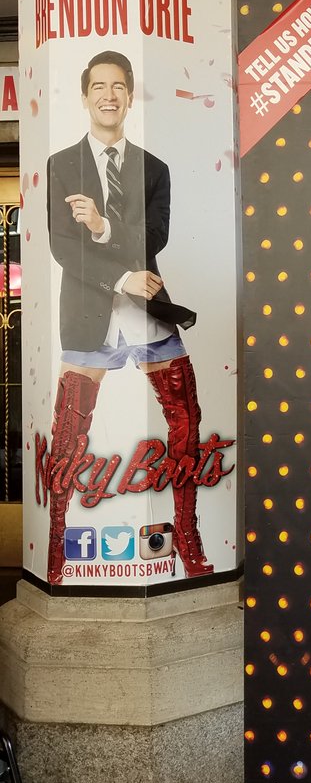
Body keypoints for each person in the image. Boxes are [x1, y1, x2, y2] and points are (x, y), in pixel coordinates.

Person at [45, 49, 212, 583]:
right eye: (99, 86)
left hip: (147, 312)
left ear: (130, 94)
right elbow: (61, 246)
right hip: (90, 312)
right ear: (85, 93)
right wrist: (119, 275)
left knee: (187, 423)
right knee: (69, 434)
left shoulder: (154, 168)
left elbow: (154, 237)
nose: (109, 95)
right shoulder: (60, 165)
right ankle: (55, 548)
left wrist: (103, 226)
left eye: (118, 86)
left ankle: (187, 539)